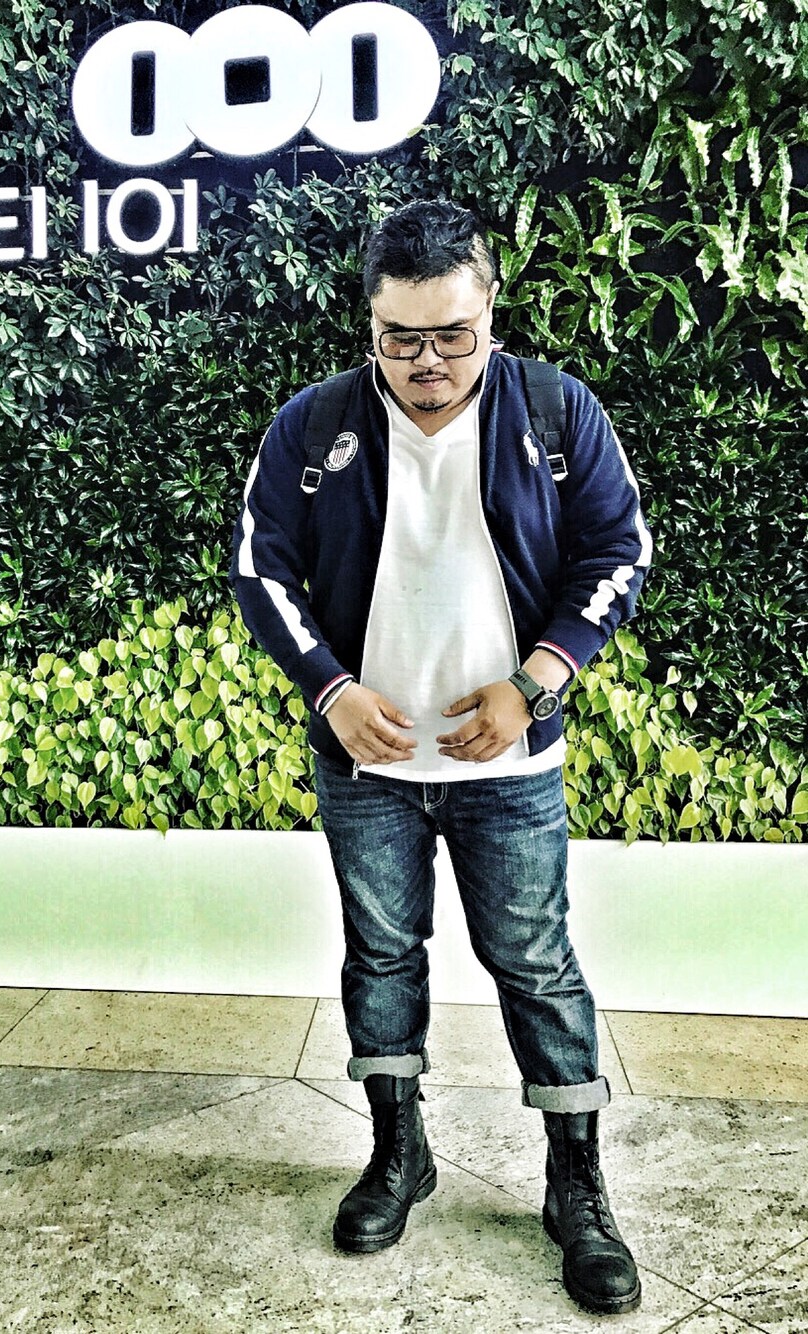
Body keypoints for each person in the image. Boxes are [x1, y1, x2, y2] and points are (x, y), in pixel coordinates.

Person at [230, 199, 651, 1316]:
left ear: (490, 315)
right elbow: (260, 566)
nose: (427, 361)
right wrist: (329, 687)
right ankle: (397, 1152)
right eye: (400, 337)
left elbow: (618, 548)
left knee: (535, 963)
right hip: (367, 766)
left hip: (508, 767)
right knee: (380, 957)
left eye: (452, 335)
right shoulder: (314, 425)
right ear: (370, 324)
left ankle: (575, 1183)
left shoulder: (554, 411)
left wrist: (535, 683)